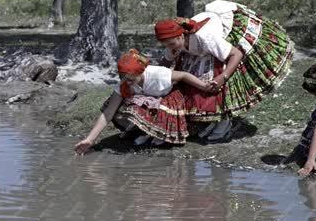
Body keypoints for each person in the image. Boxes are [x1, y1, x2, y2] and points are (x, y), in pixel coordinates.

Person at [155, 0, 294, 142]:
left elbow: (236, 54)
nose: (170, 47)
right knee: (195, 80)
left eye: (172, 44)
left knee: (219, 77)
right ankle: (213, 119)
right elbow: (165, 62)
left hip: (224, 40)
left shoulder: (205, 38)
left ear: (181, 36)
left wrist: (223, 76)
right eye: (166, 45)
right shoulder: (174, 44)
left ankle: (224, 121)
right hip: (202, 48)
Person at [74, 49, 216, 154]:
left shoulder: (158, 74)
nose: (127, 82)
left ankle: (159, 134)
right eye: (124, 78)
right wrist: (90, 139)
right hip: (150, 100)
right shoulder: (125, 83)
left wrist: (204, 86)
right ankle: (144, 131)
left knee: (159, 108)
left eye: (131, 79)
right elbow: (108, 113)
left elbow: (184, 75)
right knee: (119, 105)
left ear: (141, 72)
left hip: (169, 97)